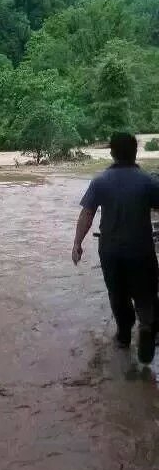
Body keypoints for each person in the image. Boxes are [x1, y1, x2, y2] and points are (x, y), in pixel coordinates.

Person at [72, 132, 159, 365]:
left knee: (117, 294)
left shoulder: (100, 181)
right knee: (146, 295)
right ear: (135, 152)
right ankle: (147, 327)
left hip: (110, 251)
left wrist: (77, 243)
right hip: (141, 249)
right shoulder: (148, 181)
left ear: (112, 153)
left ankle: (123, 336)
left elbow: (87, 214)